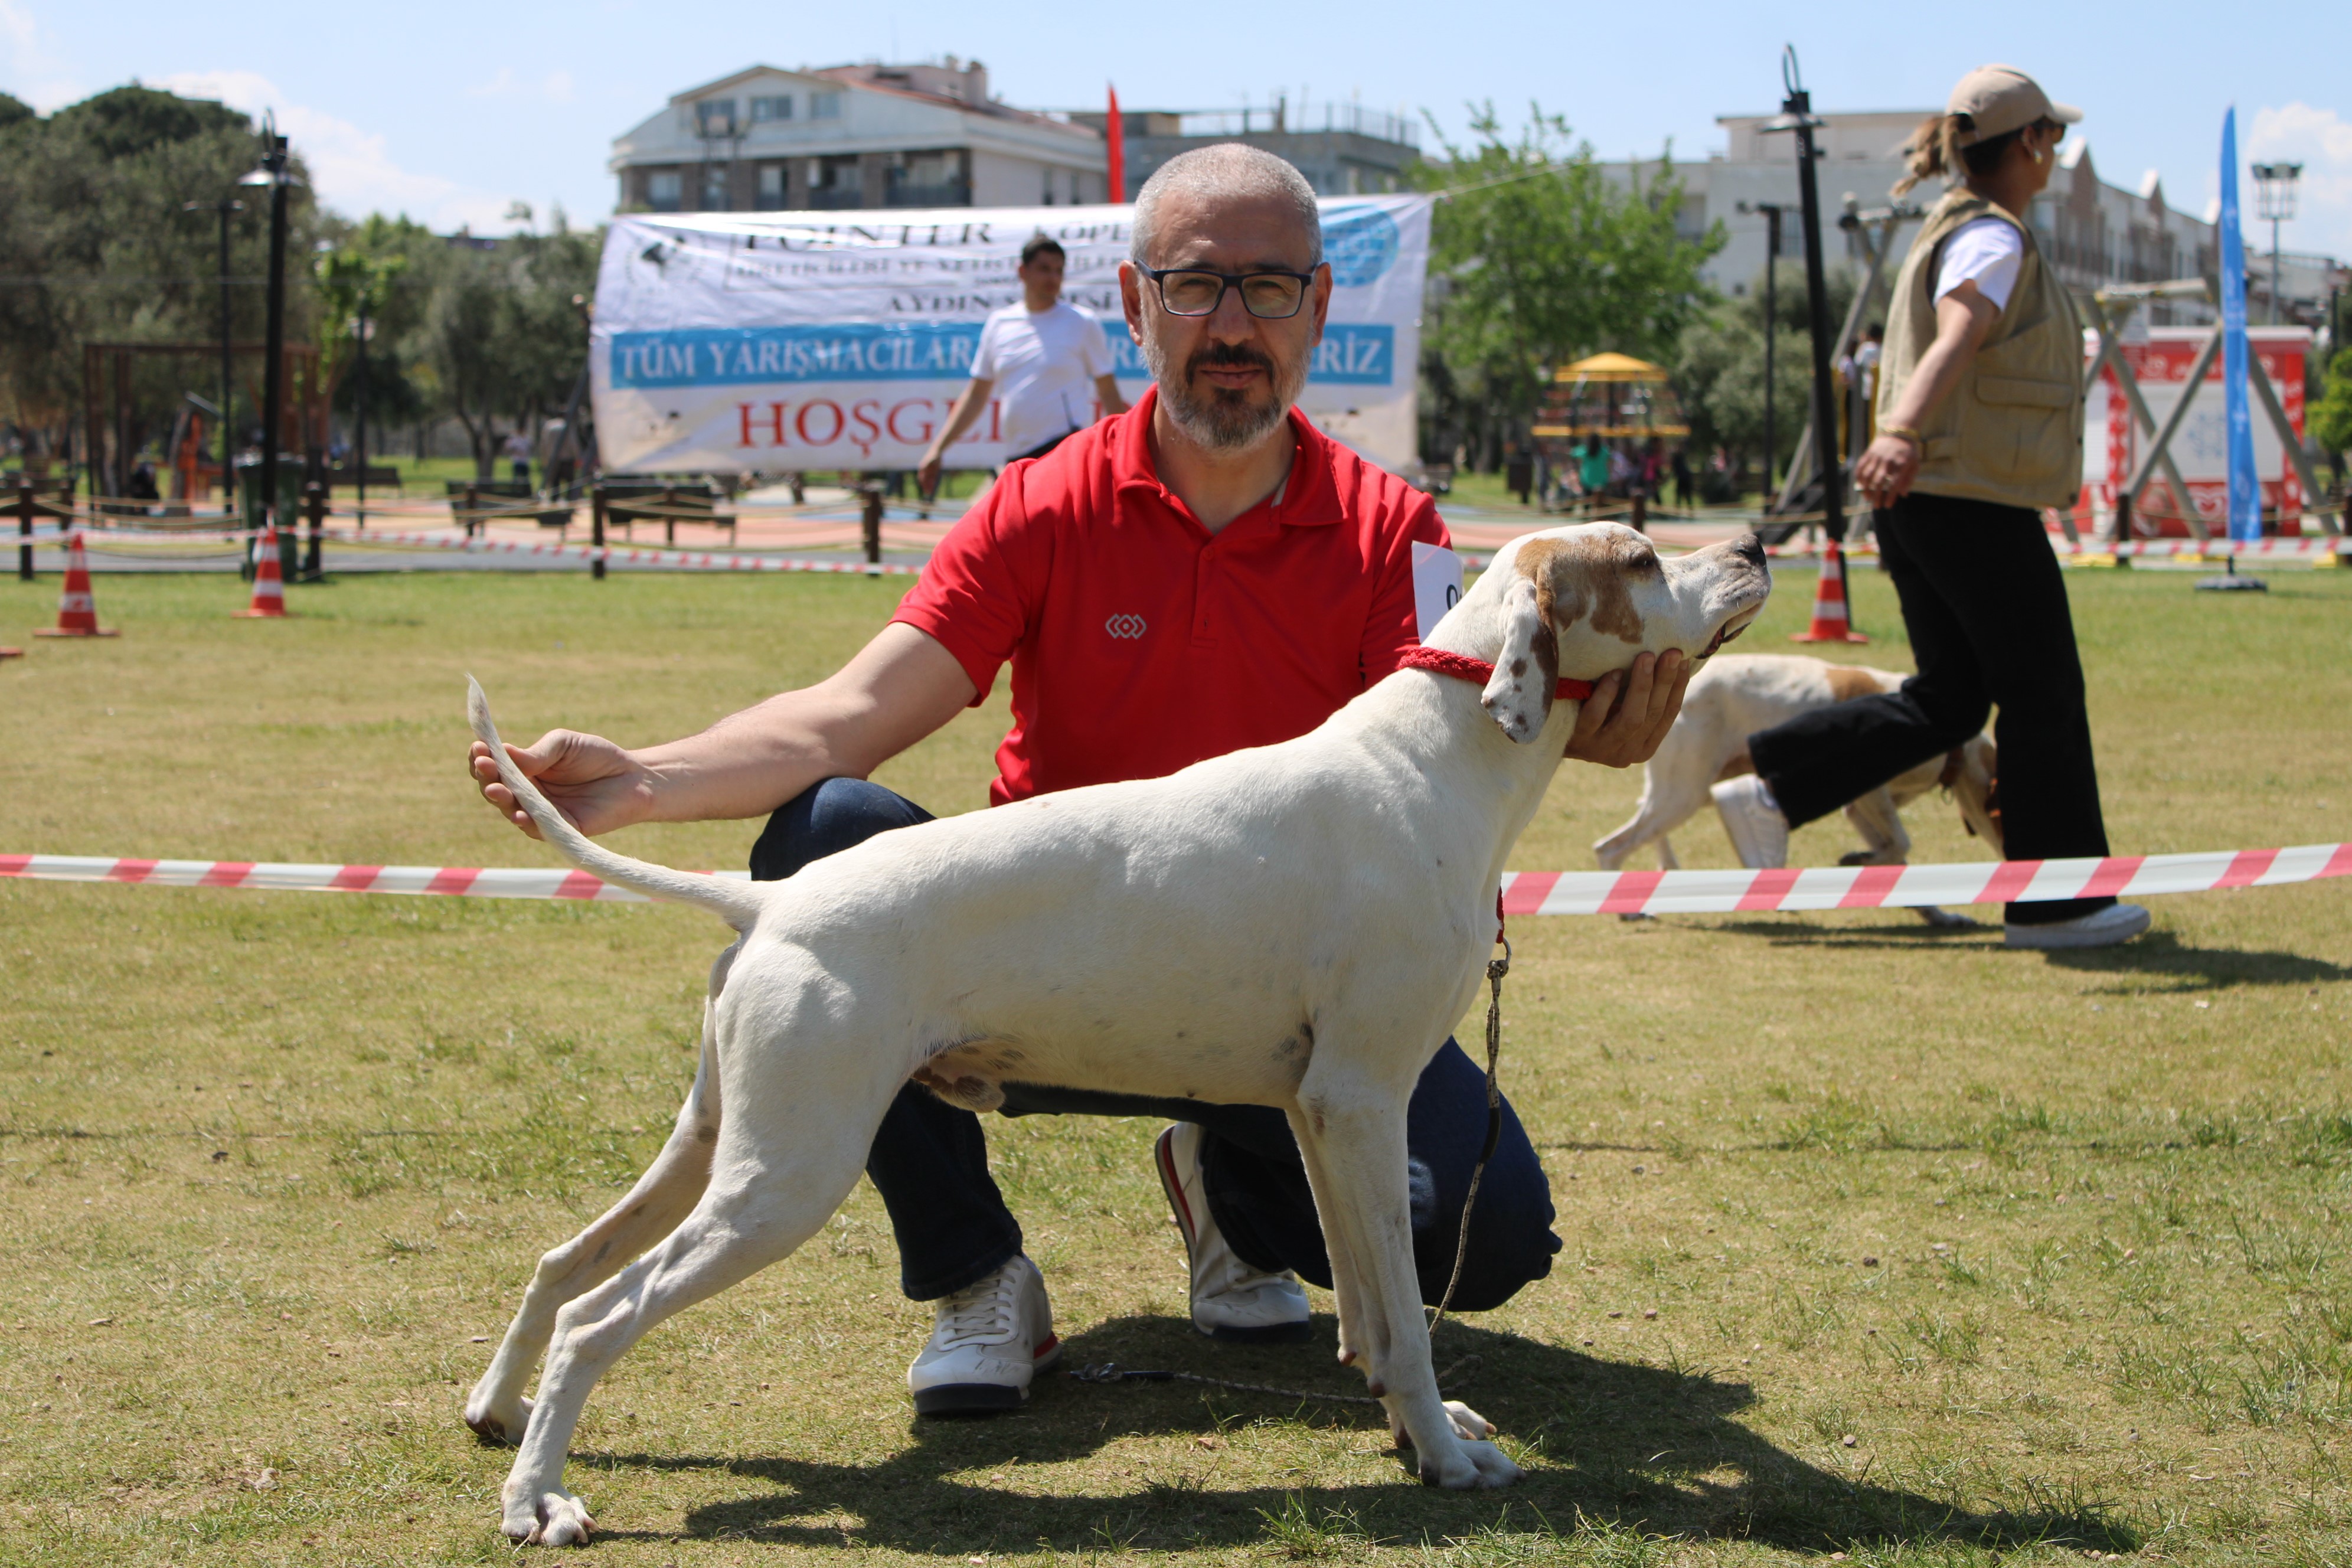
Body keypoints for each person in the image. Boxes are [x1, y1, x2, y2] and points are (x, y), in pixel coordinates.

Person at [471, 143, 1692, 1417]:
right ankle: (978, 1275)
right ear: (1134, 303)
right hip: (1045, 972)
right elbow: (847, 715)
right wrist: (637, 781)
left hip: (1279, 994)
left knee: (1485, 1237)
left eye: (1270, 288)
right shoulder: (1040, 503)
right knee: (826, 839)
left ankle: (1231, 1192)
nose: (1233, 324)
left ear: (1321, 309)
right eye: (1198, 284)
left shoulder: (1405, 532)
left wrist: (1592, 723)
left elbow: (1473, 746)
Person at [1711, 64, 2148, 951]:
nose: (2055, 152)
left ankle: (1770, 787)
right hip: (1965, 498)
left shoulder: (1956, 228)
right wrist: (1904, 429)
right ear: (2027, 144)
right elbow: (1962, 331)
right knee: (2043, 692)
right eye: (2051, 137)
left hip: (1929, 502)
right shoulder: (1993, 239)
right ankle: (2056, 904)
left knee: (1953, 700)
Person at [917, 236, 1129, 493]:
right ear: (1022, 271)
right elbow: (976, 395)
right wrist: (938, 449)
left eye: (1058, 271)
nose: (1052, 278)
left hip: (1064, 452)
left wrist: (1125, 449)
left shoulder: (1082, 322)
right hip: (1016, 458)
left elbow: (1107, 390)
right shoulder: (999, 323)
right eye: (1044, 269)